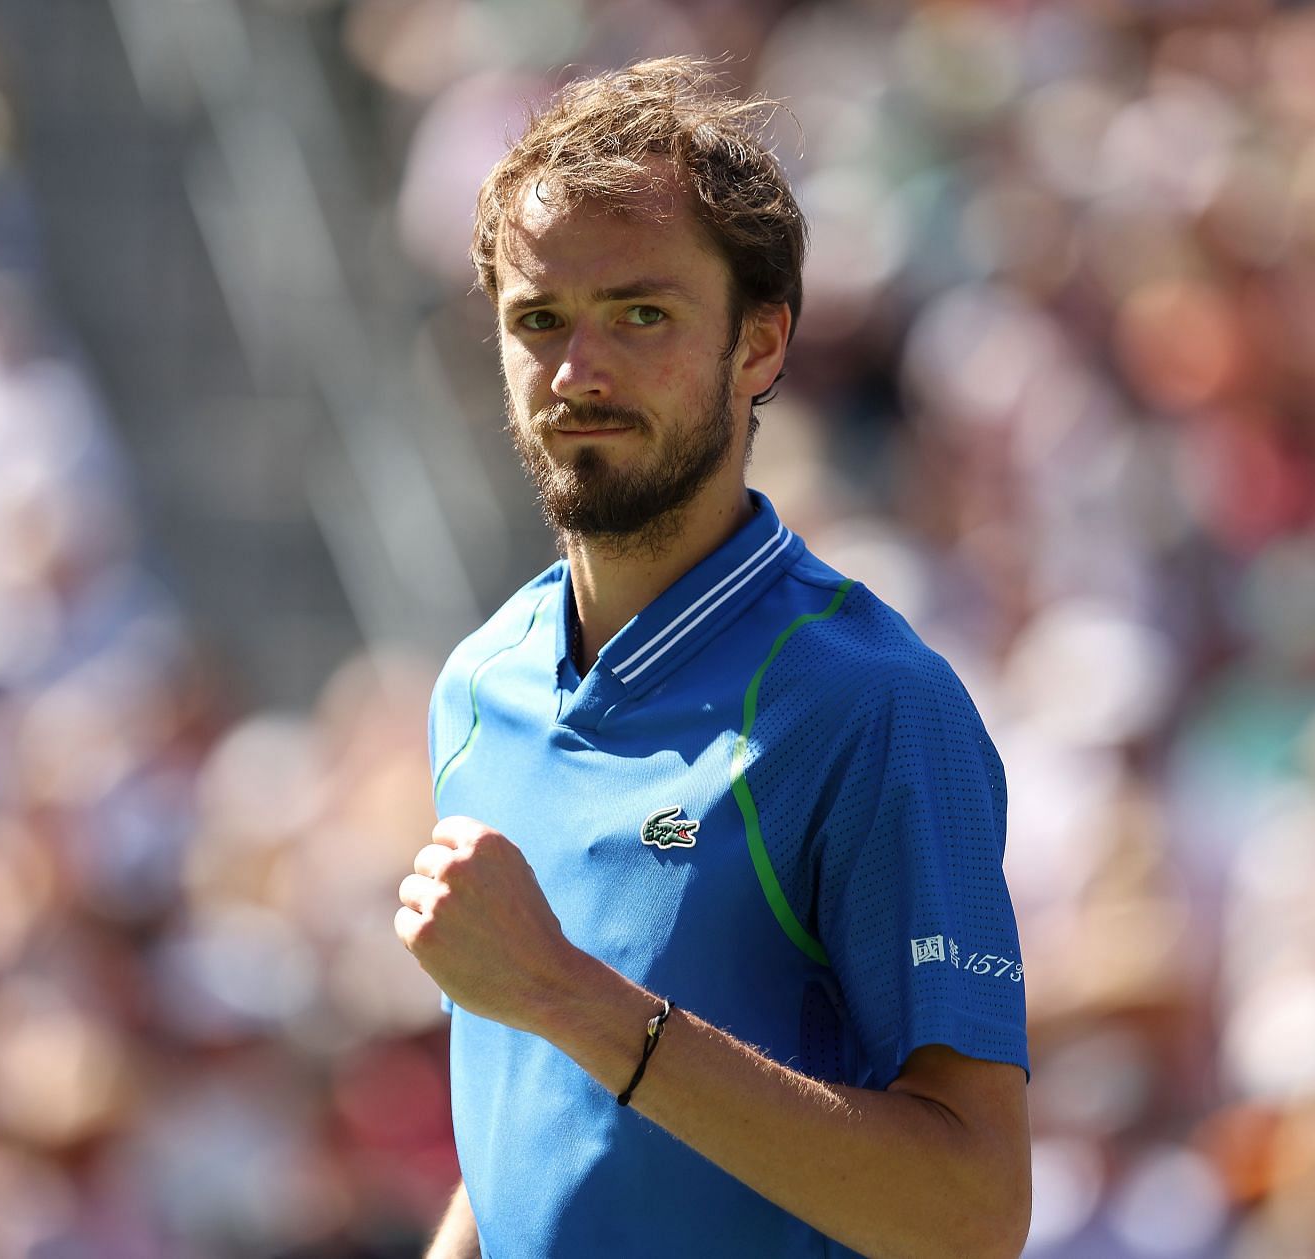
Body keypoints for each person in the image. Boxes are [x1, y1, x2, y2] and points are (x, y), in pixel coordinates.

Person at [395, 57, 1030, 1259]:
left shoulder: (874, 706)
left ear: (761, 342)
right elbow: (541, 1126)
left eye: (642, 313)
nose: (578, 370)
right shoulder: (479, 686)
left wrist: (566, 992)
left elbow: (973, 1213)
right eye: (539, 320)